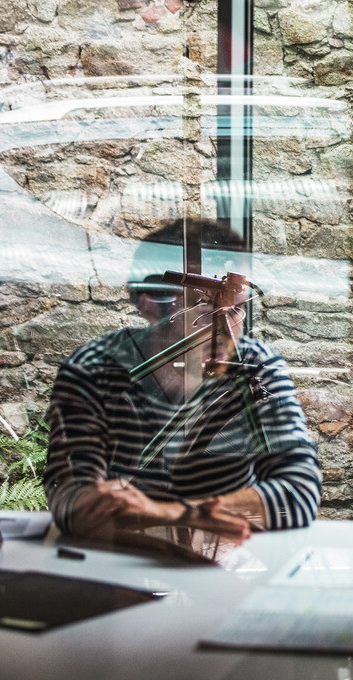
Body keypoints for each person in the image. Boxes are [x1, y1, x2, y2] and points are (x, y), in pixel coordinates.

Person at [43, 219, 322, 541]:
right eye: (205, 308)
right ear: (151, 304)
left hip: (227, 559)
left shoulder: (254, 365)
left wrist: (171, 514)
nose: (227, 330)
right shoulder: (93, 370)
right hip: (127, 562)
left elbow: (300, 492)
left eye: (236, 310)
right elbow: (71, 504)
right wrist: (201, 517)